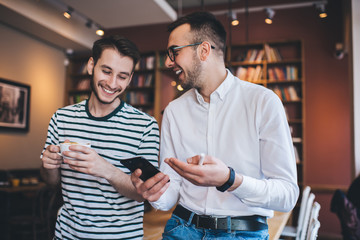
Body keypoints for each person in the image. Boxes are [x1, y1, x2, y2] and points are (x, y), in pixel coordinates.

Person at [131, 11, 299, 239]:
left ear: (204, 50)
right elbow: (170, 193)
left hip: (242, 233)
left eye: (174, 52)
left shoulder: (263, 102)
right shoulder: (173, 111)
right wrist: (153, 192)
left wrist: (231, 179)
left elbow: (287, 195)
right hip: (181, 228)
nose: (169, 62)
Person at [40, 35, 159, 239]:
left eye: (122, 76)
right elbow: (51, 180)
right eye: (106, 71)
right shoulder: (62, 118)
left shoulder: (145, 126)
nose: (112, 83)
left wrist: (106, 170)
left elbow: (143, 193)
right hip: (67, 235)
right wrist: (48, 165)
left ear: (130, 79)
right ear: (91, 66)